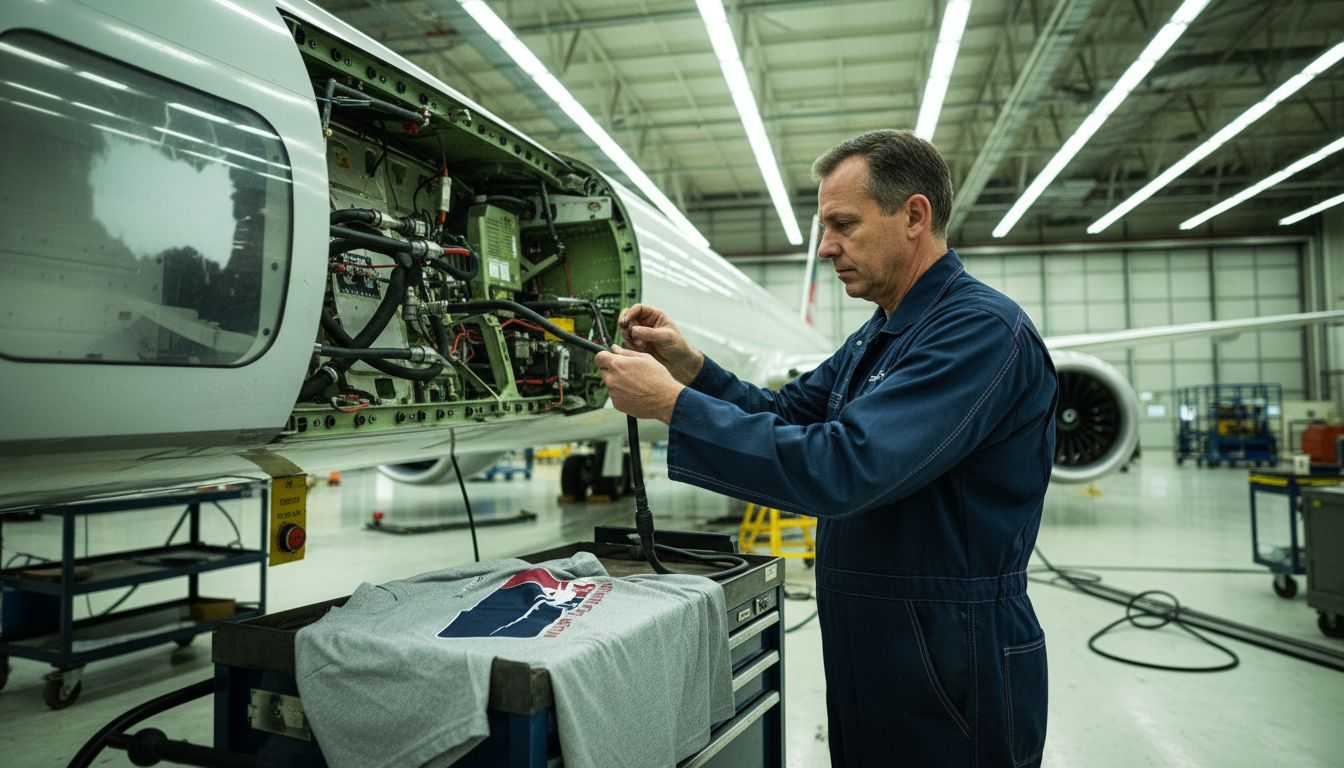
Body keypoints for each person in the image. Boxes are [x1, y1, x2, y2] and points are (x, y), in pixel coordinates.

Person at [595, 129, 1056, 767]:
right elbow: (787, 412)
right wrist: (690, 368)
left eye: (843, 223)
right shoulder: (885, 332)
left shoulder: (976, 330)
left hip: (954, 652)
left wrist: (671, 405)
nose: (826, 246)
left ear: (915, 216)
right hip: (880, 640)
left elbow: (846, 467)